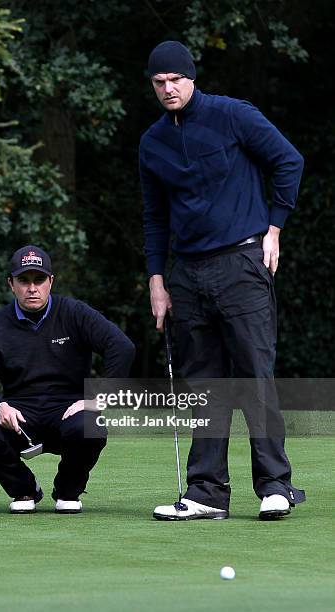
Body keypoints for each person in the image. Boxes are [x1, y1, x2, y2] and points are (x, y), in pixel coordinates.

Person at [139, 41, 306, 520]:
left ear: (192, 78)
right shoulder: (153, 142)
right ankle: (206, 493)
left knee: (255, 375)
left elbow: (288, 160)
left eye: (175, 79)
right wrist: (157, 278)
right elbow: (154, 215)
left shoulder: (233, 115)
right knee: (203, 385)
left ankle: (275, 486)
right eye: (159, 82)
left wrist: (273, 228)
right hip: (186, 273)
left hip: (241, 262)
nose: (168, 89)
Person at [0, 245, 135, 514]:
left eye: (39, 280)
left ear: (50, 281)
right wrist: (0, 406)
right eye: (24, 280)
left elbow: (122, 347)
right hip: (20, 414)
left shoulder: (74, 313)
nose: (32, 288)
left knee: (91, 427)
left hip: (68, 411)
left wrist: (99, 398)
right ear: (11, 284)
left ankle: (67, 491)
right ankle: (24, 490)